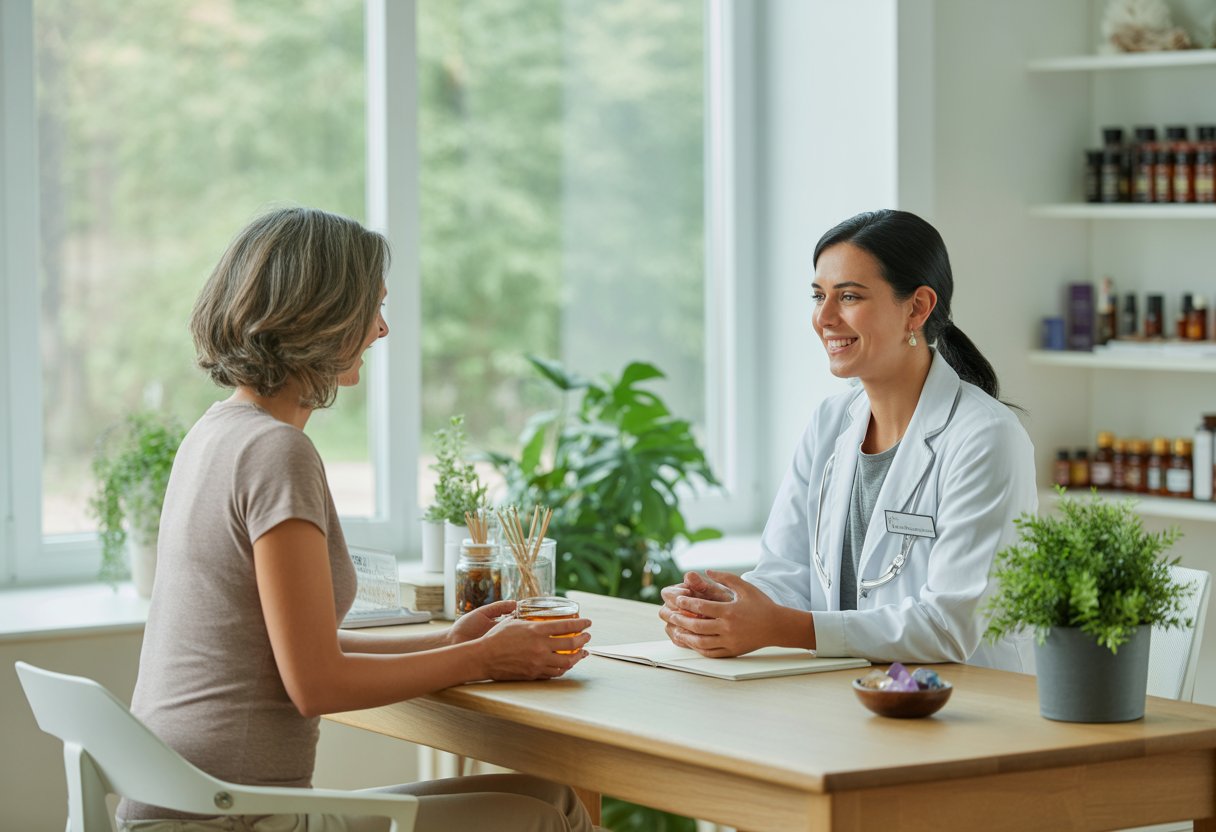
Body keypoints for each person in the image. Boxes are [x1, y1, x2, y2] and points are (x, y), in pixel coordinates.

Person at [117, 207, 599, 832]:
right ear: (320, 317)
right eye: (371, 308)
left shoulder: (213, 435)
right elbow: (316, 684)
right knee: (544, 819)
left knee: (552, 799)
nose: (382, 328)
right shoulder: (275, 452)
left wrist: (450, 641)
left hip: (187, 808)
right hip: (233, 823)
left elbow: (283, 651)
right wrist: (484, 661)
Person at [659, 209, 1036, 672]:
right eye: (818, 296)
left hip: (966, 710)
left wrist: (778, 627)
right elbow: (787, 574)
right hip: (848, 697)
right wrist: (723, 605)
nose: (824, 318)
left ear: (917, 308)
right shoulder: (830, 421)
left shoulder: (986, 438)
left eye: (850, 296)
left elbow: (948, 626)